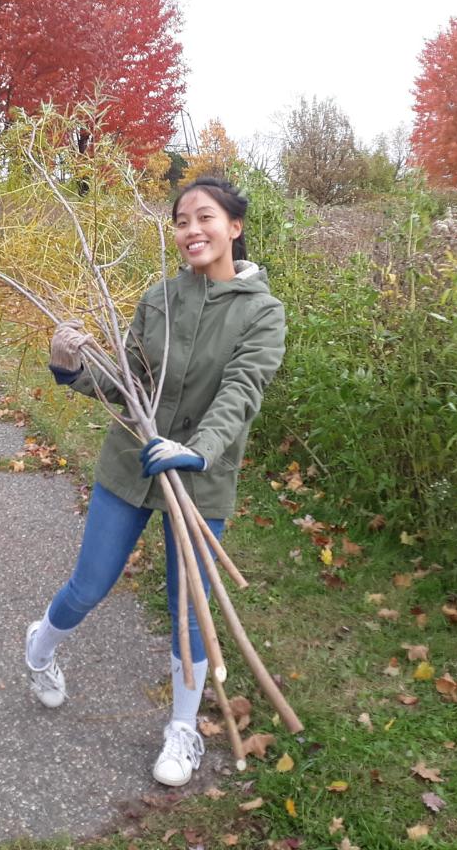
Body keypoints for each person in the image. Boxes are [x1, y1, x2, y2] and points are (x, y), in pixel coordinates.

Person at [25, 176, 286, 787]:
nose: (192, 230)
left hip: (199, 478)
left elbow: (242, 392)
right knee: (89, 586)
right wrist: (73, 368)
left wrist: (195, 452)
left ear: (234, 227)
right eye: (181, 220)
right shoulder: (160, 298)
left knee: (189, 612)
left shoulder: (262, 313)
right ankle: (40, 647)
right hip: (129, 465)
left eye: (205, 217)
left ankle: (183, 730)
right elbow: (130, 384)